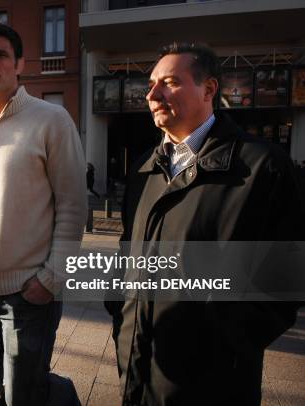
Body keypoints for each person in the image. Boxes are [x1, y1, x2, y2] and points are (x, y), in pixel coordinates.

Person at [107, 42, 303, 405]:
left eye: (169, 82)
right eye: (151, 84)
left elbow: (286, 283)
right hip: (138, 371)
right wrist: (121, 315)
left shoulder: (263, 167)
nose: (152, 94)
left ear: (209, 89)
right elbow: (125, 255)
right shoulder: (142, 169)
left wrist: (223, 341)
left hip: (214, 384)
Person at [0, 22, 87, 406]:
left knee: (22, 395)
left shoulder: (51, 120)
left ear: (20, 64)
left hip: (29, 294)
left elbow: (73, 204)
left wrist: (52, 278)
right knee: (2, 390)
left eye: (0, 54)